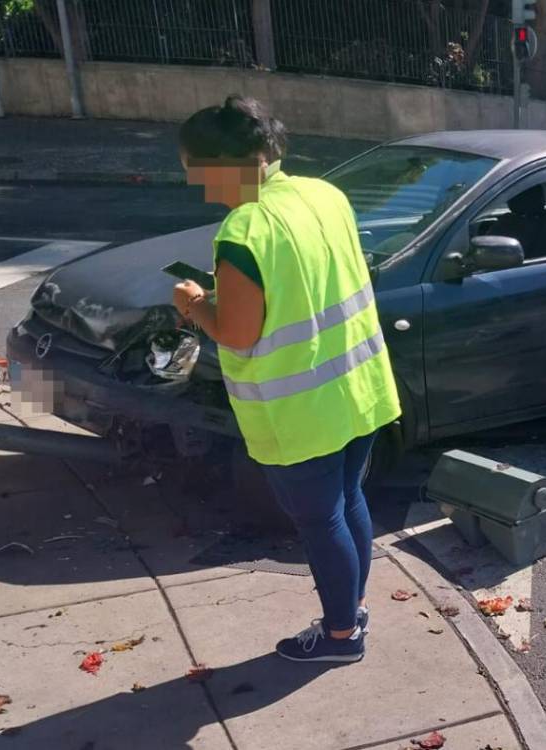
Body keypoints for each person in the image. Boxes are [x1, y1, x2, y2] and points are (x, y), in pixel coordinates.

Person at [171, 95, 402, 663]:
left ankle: (341, 636)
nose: (196, 183)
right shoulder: (323, 194)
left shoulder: (244, 228)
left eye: (194, 170)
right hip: (358, 388)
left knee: (321, 522)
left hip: (300, 410)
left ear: (224, 163)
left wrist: (195, 304)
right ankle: (353, 611)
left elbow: (239, 332)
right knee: (349, 501)